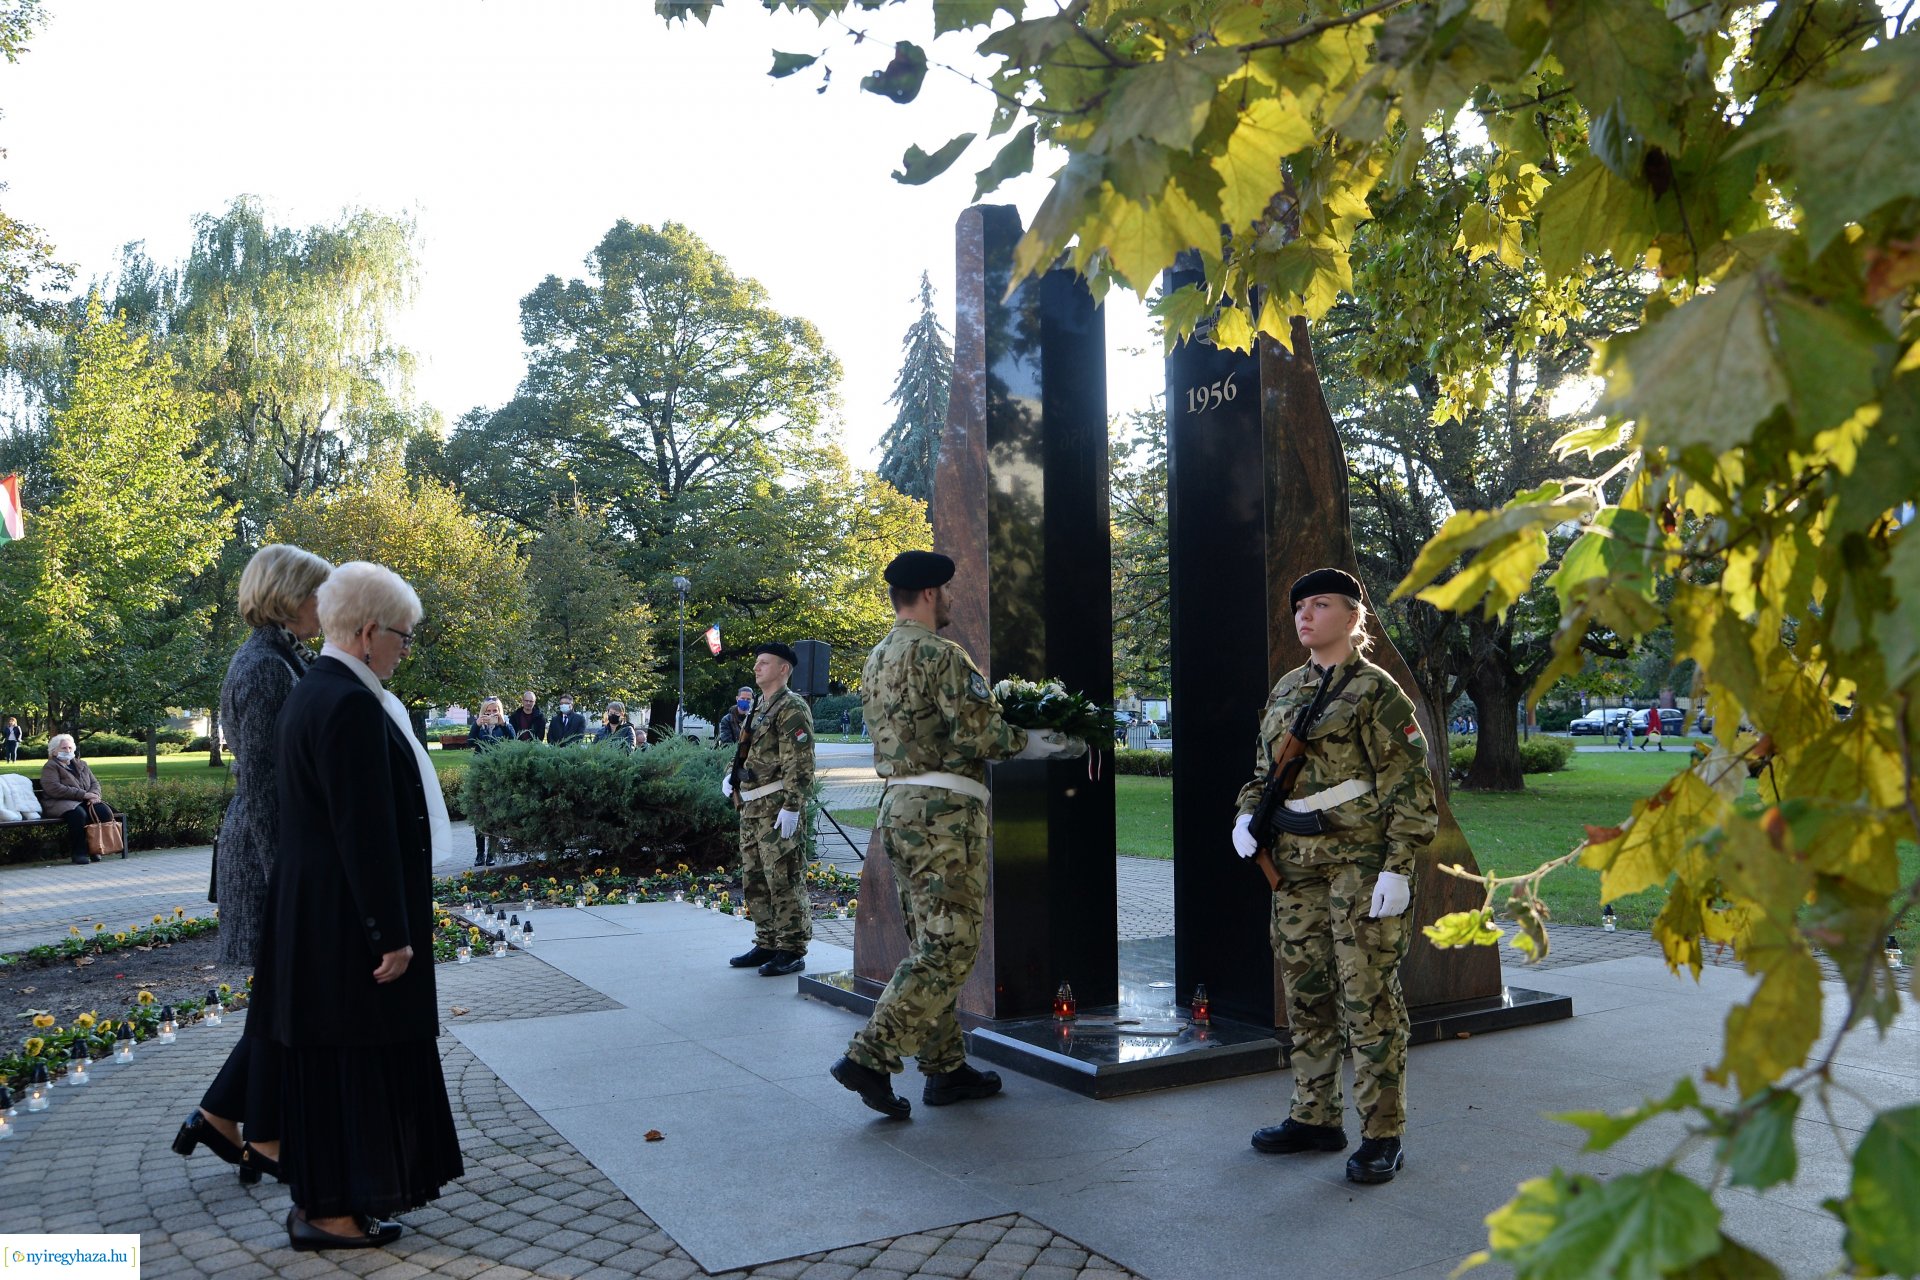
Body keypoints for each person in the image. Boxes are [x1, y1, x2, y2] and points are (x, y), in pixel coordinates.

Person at [831, 550, 1084, 1119]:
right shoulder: (941, 653)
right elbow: (981, 735)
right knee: (950, 946)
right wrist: (1045, 740)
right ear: (928, 594)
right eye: (946, 590)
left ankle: (945, 1070)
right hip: (944, 812)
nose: (951, 599)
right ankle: (871, 1055)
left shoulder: (877, 657)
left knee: (930, 942)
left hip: (899, 804)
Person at [254, 561, 463, 1250]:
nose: (407, 648)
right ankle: (329, 1213)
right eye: (404, 636)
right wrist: (391, 933)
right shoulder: (347, 703)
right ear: (370, 632)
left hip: (319, 916)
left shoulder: (319, 688)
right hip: (345, 923)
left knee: (332, 1067)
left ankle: (326, 1203)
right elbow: (362, 832)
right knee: (346, 1069)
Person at [1231, 568, 1436, 1186]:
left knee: (1367, 999)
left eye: (1321, 605)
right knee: (1308, 995)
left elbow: (1411, 785)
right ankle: (1314, 1116)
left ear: (1353, 617)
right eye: (1299, 606)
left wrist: (1399, 867)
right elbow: (1267, 774)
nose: (1305, 615)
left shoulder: (1377, 692)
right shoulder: (1288, 689)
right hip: (1294, 867)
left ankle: (1382, 1133)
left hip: (1358, 864)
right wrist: (1245, 815)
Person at [174, 543, 332, 1186]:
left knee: (279, 1000)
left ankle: (227, 1120)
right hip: (265, 856)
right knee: (282, 1001)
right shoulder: (265, 666)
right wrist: (283, 878)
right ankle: (248, 1131)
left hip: (267, 849)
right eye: (318, 592)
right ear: (288, 596)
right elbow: (266, 785)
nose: (327, 604)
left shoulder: (279, 657)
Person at [719, 643, 815, 977]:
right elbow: (750, 751)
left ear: (783, 669)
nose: (757, 667)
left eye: (764, 663)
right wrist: (733, 778)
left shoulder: (792, 707)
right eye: (756, 662)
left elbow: (799, 763)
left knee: (783, 878)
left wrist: (792, 807)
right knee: (755, 878)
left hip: (776, 808)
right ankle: (767, 941)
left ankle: (791, 949)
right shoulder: (760, 705)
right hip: (752, 806)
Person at [39, 735, 119, 866]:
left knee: (103, 811)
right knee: (78, 815)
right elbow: (53, 788)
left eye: (70, 747)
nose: (68, 750)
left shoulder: (82, 764)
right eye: (64, 748)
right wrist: (84, 795)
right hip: (59, 802)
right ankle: (79, 853)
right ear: (54, 751)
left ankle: (95, 848)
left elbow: (95, 783)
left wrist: (94, 795)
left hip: (83, 800)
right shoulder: (51, 766)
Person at [469, 696, 514, 866]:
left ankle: (491, 853)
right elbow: (470, 742)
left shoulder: (504, 726)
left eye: (495, 711)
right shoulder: (479, 726)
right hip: (480, 774)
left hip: (497, 774)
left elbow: (513, 740)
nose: (491, 714)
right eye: (488, 711)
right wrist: (477, 725)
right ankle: (480, 853)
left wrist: (503, 724)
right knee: (480, 814)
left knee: (494, 816)